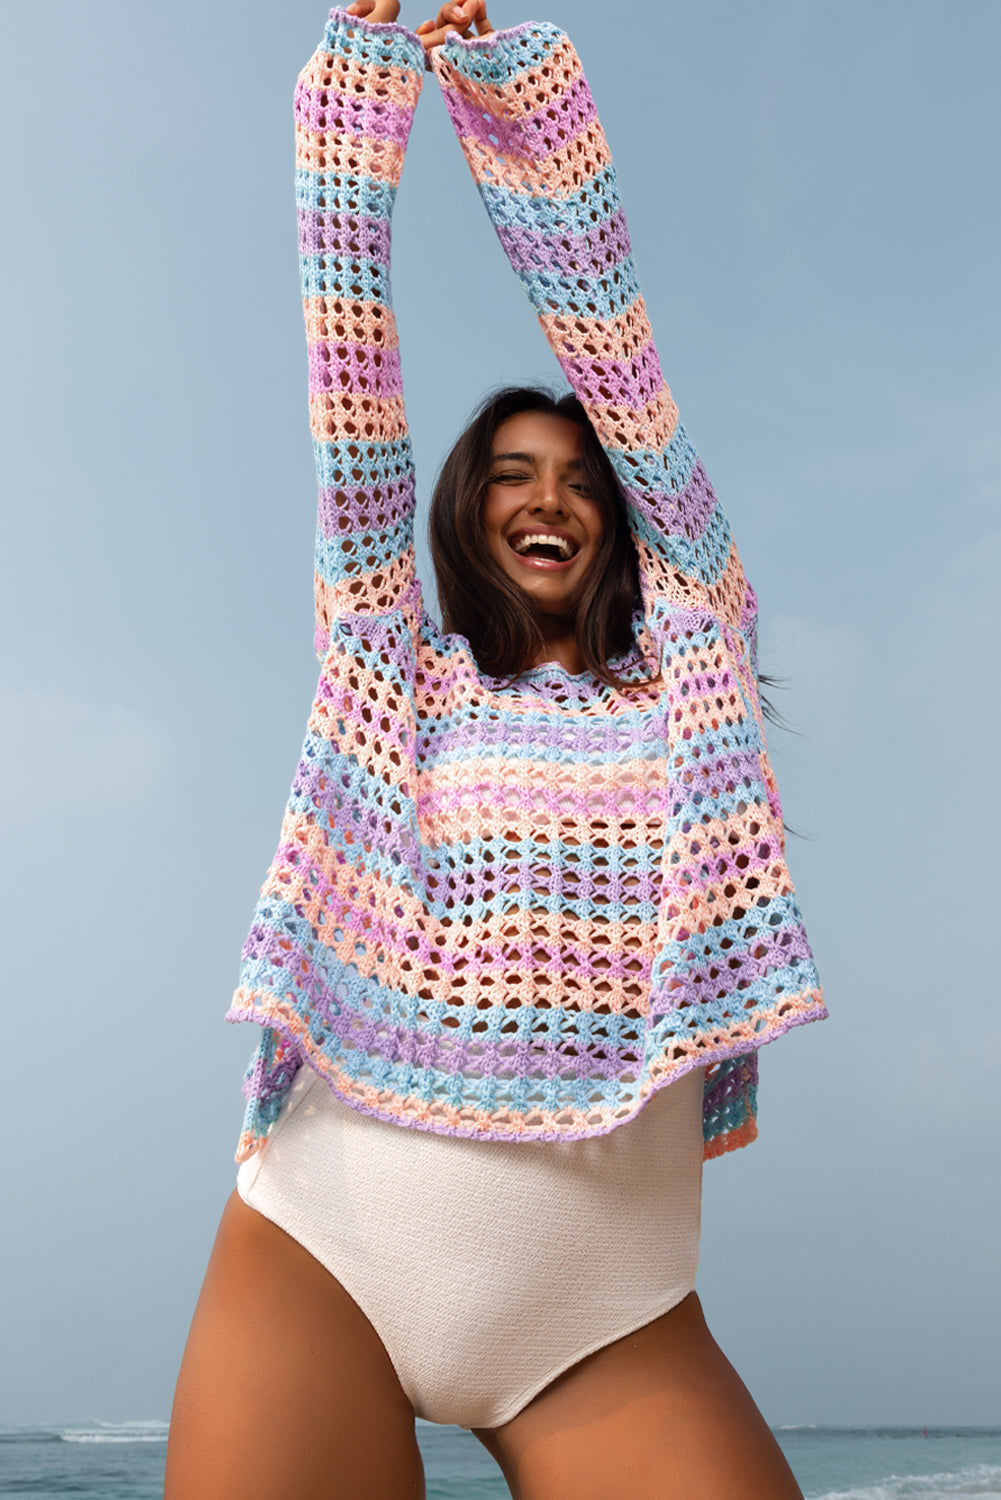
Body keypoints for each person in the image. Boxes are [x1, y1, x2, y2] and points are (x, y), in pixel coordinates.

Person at [164, 2, 826, 1495]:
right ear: (465, 513)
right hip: (324, 1249)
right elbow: (352, 388)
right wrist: (366, 90)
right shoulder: (389, 673)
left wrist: (509, 99)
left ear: (620, 518)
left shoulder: (695, 667)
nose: (551, 494)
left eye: (581, 478)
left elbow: (628, 380)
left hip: (605, 1316)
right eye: (510, 473)